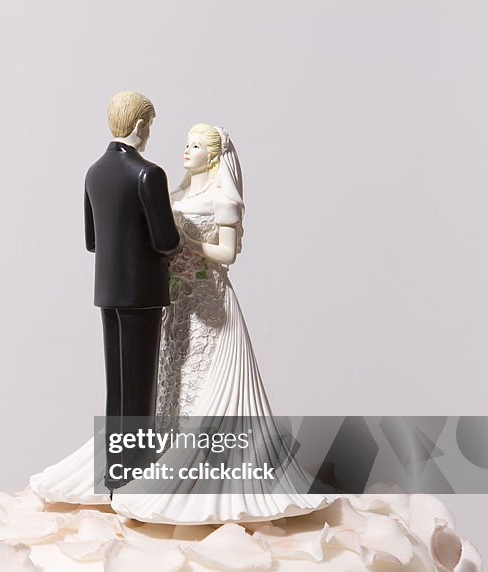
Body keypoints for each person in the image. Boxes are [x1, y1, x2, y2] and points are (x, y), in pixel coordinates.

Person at [31, 123, 335, 524]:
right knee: (168, 381)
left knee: (203, 385)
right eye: (185, 144)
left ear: (212, 155)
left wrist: (185, 243)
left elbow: (226, 255)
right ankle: (145, 462)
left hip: (209, 299)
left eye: (195, 146)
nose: (185, 151)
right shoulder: (172, 189)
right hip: (174, 300)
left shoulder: (222, 199)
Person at [83, 91, 183, 488]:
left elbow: (92, 240)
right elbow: (165, 241)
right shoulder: (148, 174)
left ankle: (115, 470)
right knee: (139, 384)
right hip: (141, 291)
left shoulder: (94, 172)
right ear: (141, 126)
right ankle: (137, 472)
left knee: (117, 385)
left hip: (107, 290)